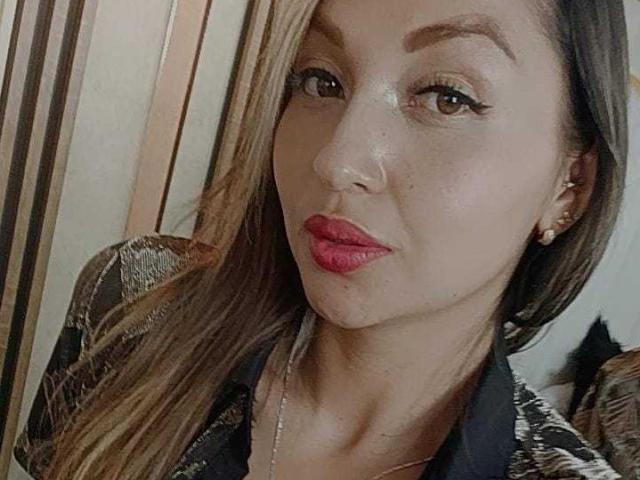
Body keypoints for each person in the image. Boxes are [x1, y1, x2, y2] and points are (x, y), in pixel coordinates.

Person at [13, 0, 630, 478]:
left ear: (570, 186)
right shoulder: (134, 313)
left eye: (447, 97)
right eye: (321, 80)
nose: (336, 160)